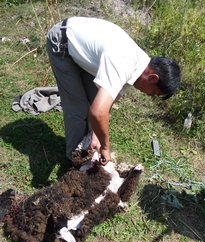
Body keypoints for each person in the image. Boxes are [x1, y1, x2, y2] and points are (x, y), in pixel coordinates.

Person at [46, 16, 180, 165]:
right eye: (154, 93)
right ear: (153, 78)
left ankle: (89, 145)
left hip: (81, 49)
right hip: (61, 43)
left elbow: (106, 106)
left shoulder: (138, 66)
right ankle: (76, 161)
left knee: (93, 99)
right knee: (77, 107)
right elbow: (98, 112)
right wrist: (105, 147)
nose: (149, 95)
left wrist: (97, 136)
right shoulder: (124, 62)